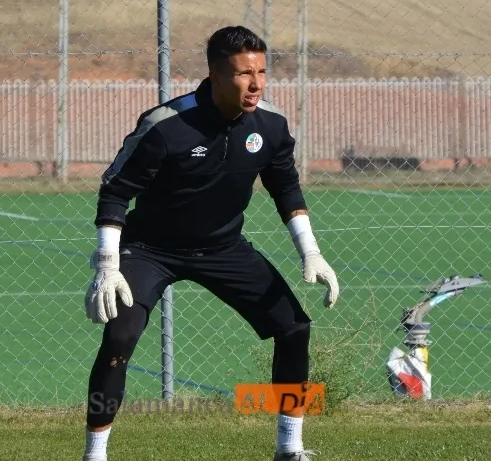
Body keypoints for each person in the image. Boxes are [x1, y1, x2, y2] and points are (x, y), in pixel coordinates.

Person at [82, 26, 340, 461]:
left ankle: (290, 447)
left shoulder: (271, 126)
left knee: (295, 328)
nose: (256, 84)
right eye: (243, 74)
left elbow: (287, 190)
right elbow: (114, 193)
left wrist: (310, 251)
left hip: (224, 248)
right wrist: (108, 264)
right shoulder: (165, 125)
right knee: (120, 338)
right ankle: (95, 453)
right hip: (149, 250)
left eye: (261, 72)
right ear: (215, 75)